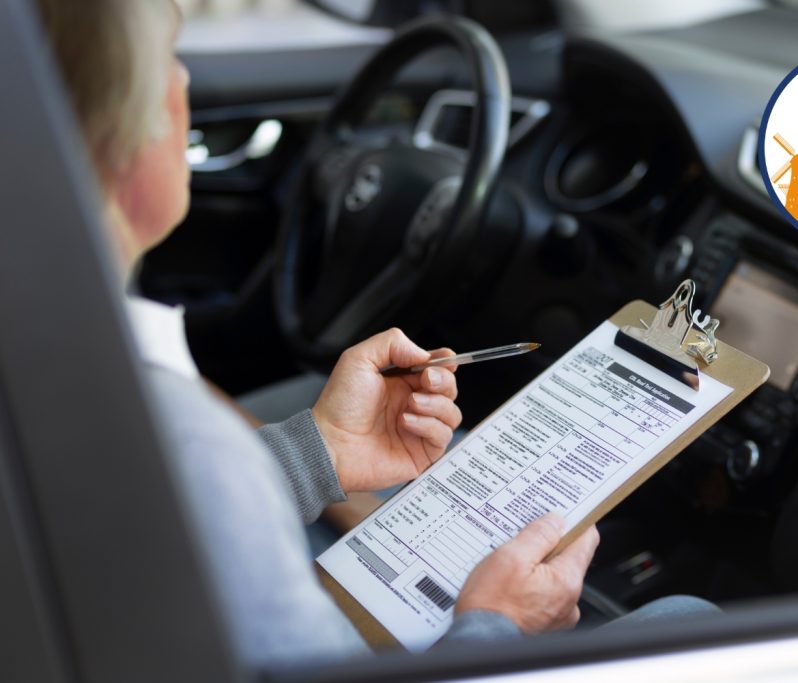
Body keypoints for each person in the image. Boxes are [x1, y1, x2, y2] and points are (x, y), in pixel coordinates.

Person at [35, 0, 715, 670]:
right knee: (694, 624)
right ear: (112, 138)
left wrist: (316, 453)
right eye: (166, 65)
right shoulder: (185, 443)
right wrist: (499, 626)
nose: (182, 84)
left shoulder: (62, 374)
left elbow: (158, 525)